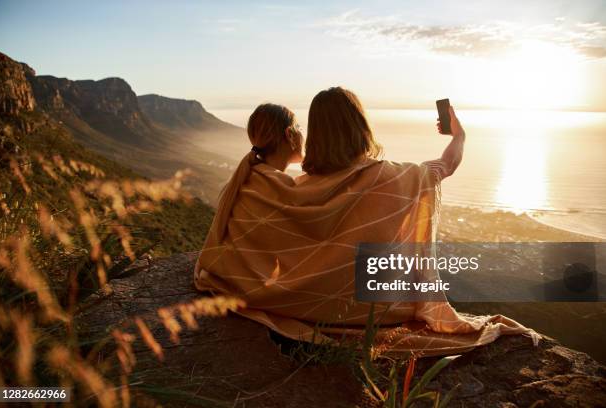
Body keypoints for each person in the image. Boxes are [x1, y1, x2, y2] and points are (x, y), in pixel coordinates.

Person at [195, 88, 539, 356]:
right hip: (371, 311)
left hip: (287, 302)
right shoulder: (388, 178)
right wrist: (458, 137)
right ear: (360, 126)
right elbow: (443, 167)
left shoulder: (271, 185)